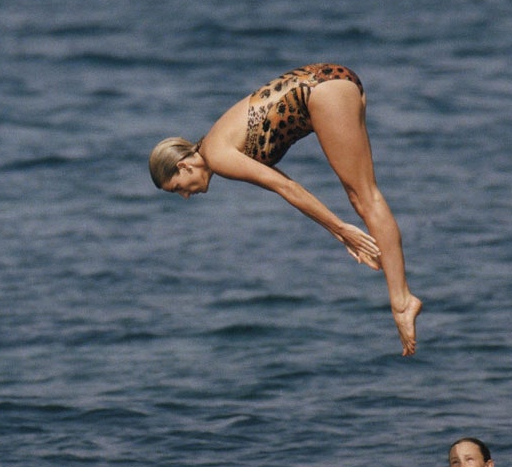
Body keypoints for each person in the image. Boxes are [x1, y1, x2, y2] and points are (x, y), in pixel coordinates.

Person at [149, 63, 421, 356]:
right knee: (361, 198)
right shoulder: (215, 145)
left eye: (178, 187)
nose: (185, 196)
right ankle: (401, 298)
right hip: (332, 83)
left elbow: (286, 189)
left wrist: (342, 230)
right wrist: (339, 231)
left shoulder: (216, 156)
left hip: (321, 92)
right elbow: (287, 184)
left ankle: (402, 302)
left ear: (183, 165)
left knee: (366, 198)